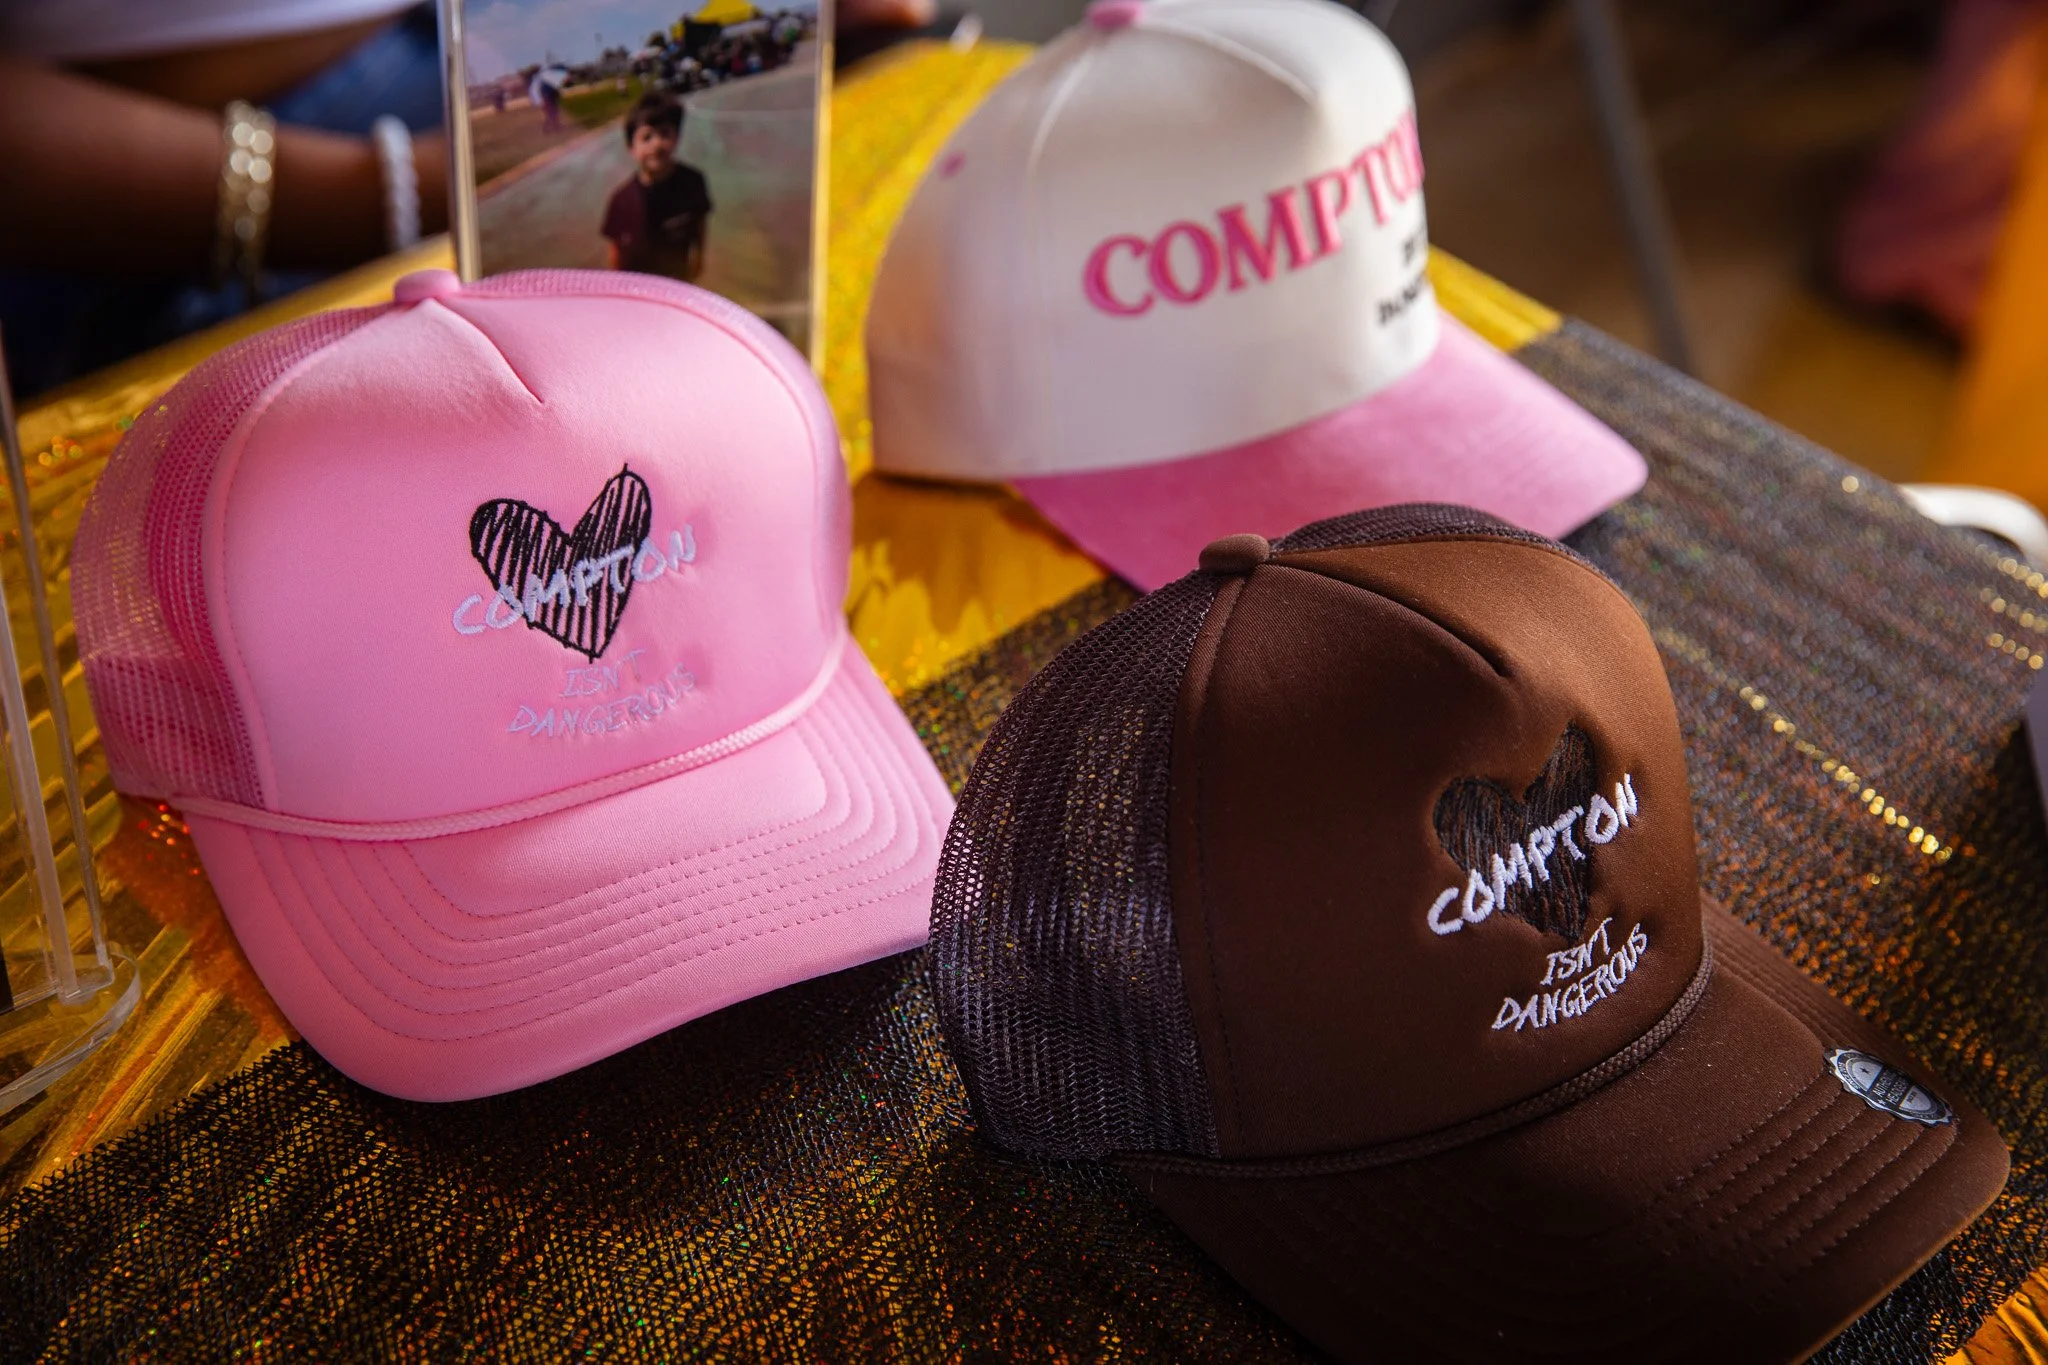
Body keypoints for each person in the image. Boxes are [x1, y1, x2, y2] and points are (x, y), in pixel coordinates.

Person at [600, 92, 712, 281]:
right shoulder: (621, 200)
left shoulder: (693, 182)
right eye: (646, 137)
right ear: (631, 148)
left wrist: (699, 259)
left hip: (678, 279)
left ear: (677, 137)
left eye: (665, 133)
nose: (657, 144)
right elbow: (615, 252)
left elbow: (700, 224)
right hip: (638, 286)